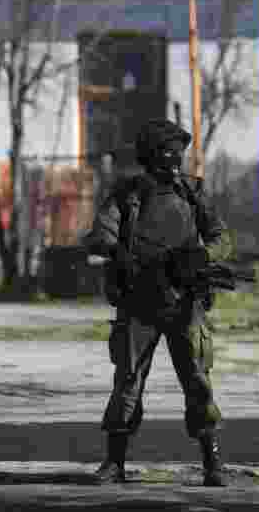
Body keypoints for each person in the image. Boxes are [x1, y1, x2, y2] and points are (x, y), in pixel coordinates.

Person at [85, 118, 234, 487]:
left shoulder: (192, 193)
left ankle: (212, 463)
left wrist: (202, 256)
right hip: (139, 303)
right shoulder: (128, 195)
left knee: (198, 381)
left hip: (186, 302)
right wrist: (117, 250)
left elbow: (221, 237)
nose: (174, 161)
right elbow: (100, 233)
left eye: (178, 153)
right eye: (167, 153)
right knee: (128, 382)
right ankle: (114, 462)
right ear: (151, 156)